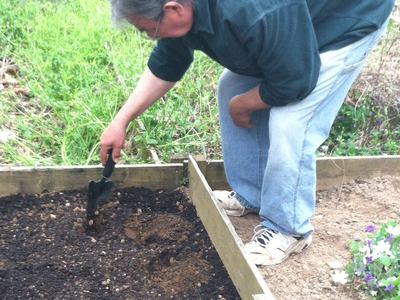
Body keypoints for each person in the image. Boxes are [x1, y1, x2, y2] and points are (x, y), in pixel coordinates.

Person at [100, 0, 395, 266]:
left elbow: (295, 81)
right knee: (231, 86)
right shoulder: (182, 12)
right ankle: (251, 195)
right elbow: (168, 63)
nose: (150, 36)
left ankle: (288, 229)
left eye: (148, 29)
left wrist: (243, 105)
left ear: (174, 9)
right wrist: (121, 121)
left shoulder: (251, 9)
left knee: (290, 122)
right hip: (289, 28)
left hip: (342, 21)